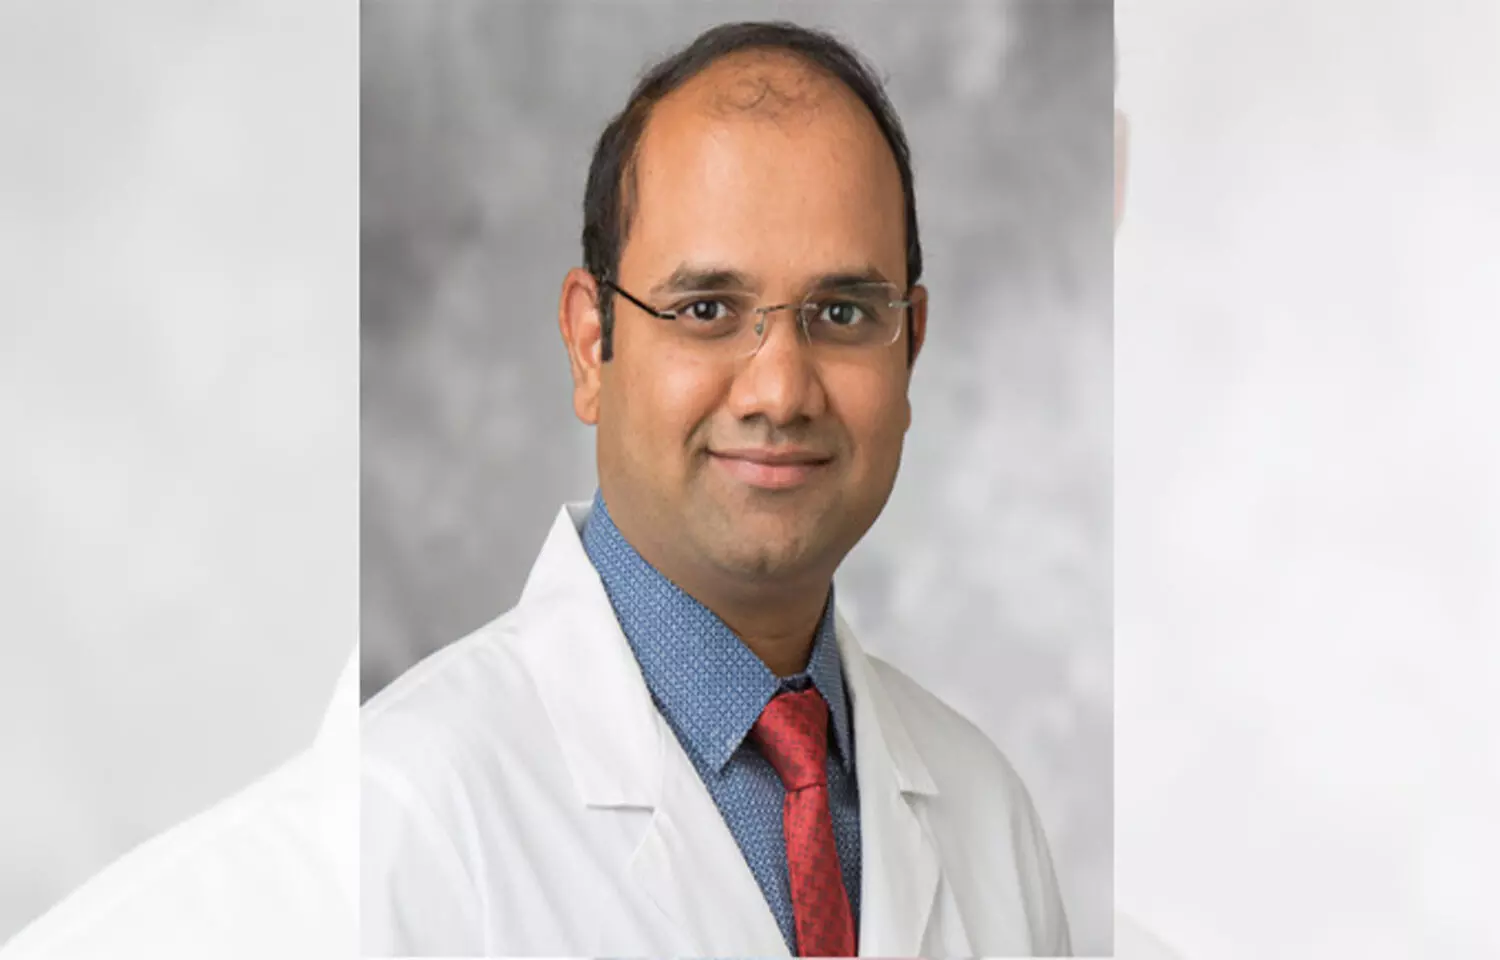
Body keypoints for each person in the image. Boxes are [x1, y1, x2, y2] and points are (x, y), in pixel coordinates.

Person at [360, 20, 1072, 958]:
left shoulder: (988, 816)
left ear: (911, 348)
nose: (780, 392)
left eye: (842, 311)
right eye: (706, 310)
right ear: (591, 345)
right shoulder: (398, 822)